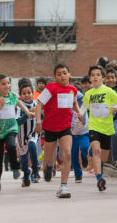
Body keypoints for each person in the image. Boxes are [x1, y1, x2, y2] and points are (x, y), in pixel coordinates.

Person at [83, 65, 117, 191]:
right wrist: (81, 115)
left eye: (98, 74)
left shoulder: (109, 91)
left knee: (104, 157)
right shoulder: (88, 93)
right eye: (93, 75)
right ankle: (99, 178)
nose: (95, 77)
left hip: (107, 127)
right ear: (90, 78)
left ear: (102, 77)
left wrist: (115, 108)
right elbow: (84, 107)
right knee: (96, 151)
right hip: (94, 126)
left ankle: (99, 168)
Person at [35, 63, 81, 198]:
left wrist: (78, 112)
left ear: (69, 74)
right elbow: (39, 104)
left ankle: (63, 186)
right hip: (49, 127)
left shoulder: (73, 89)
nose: (62, 76)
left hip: (65, 127)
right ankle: (49, 166)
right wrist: (38, 121)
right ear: (55, 77)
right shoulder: (51, 88)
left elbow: (73, 103)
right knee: (49, 156)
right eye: (59, 74)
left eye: (64, 73)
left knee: (67, 154)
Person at [0, 74, 32, 191]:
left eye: (8, 83)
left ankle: (15, 168)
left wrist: (27, 112)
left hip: (11, 128)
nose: (7, 86)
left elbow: (18, 103)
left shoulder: (13, 95)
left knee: (11, 146)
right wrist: (0, 106)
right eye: (3, 84)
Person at [16, 80, 40, 185]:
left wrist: (41, 122)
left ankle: (35, 169)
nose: (27, 95)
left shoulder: (36, 103)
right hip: (21, 135)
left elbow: (42, 116)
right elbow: (17, 121)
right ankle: (26, 174)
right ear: (20, 95)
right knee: (24, 157)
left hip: (33, 132)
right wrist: (28, 113)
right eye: (24, 93)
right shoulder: (18, 105)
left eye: (29, 92)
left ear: (33, 93)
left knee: (32, 146)